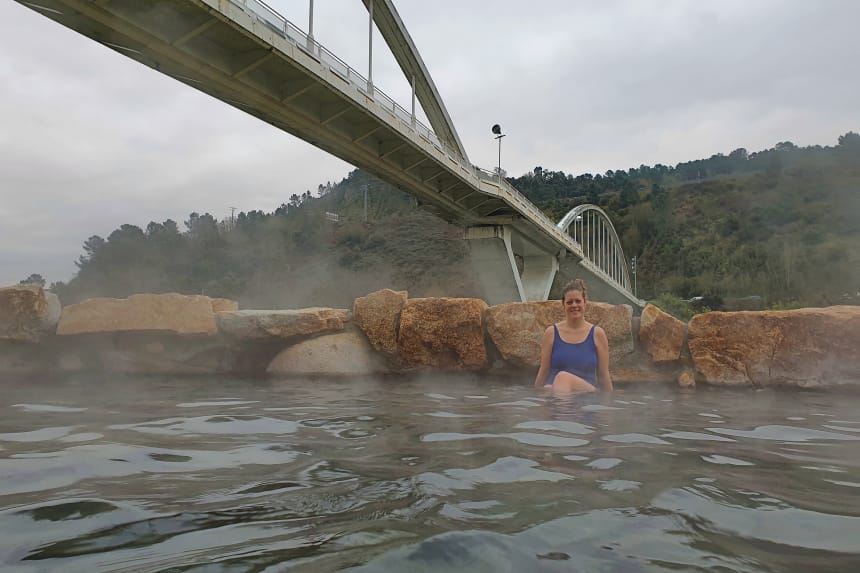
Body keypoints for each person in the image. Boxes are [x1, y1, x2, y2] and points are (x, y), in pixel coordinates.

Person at [534, 279, 613, 393]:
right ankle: (563, 408)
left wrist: (609, 403)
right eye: (569, 302)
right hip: (555, 392)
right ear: (563, 304)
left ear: (585, 302)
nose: (574, 305)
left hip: (586, 395)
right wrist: (536, 398)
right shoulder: (551, 333)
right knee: (547, 388)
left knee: (563, 378)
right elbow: (544, 370)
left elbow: (603, 374)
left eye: (578, 301)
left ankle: (563, 410)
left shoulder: (597, 334)